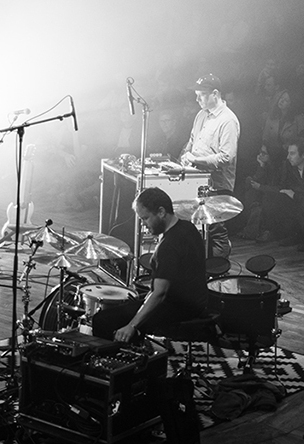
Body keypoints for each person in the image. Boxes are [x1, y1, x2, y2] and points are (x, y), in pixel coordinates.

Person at [91, 187, 209, 342]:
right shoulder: (189, 228)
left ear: (161, 212)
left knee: (102, 320)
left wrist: (131, 326)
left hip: (178, 307)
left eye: (145, 218)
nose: (143, 225)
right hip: (196, 301)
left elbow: (160, 294)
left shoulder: (168, 246)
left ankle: (117, 360)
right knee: (133, 302)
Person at [179, 73, 240, 257]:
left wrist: (194, 159)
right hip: (196, 181)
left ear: (215, 94)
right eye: (196, 94)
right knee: (198, 228)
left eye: (202, 95)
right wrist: (184, 156)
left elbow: (226, 157)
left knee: (215, 231)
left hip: (217, 186)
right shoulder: (201, 115)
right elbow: (191, 141)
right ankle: (202, 268)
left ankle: (218, 271)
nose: (197, 99)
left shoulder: (228, 120)